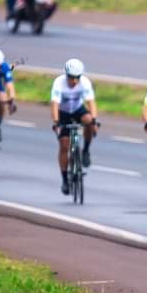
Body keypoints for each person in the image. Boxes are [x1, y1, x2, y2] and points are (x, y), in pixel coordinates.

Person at [50, 59, 98, 195]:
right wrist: (56, 122)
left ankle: (86, 150)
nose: (74, 81)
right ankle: (65, 179)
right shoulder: (59, 83)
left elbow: (91, 102)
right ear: (66, 75)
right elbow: (54, 104)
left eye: (77, 77)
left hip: (77, 109)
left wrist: (94, 120)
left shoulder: (85, 82)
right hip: (63, 113)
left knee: (89, 120)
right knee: (64, 145)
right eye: (71, 77)